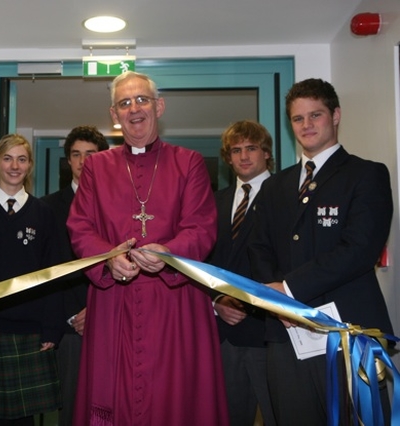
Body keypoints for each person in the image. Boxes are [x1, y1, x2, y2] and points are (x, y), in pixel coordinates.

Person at [67, 71, 228, 425]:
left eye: (142, 100)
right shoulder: (96, 166)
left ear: (159, 106)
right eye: (124, 103)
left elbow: (201, 226)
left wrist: (165, 255)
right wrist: (109, 260)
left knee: (176, 398)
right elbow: (80, 226)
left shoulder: (189, 162)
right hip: (114, 302)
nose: (134, 109)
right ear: (114, 114)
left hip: (176, 302)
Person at [250, 78, 394, 425]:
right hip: (286, 336)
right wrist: (276, 301)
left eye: (316, 115)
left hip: (347, 332)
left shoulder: (366, 175)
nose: (307, 125)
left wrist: (287, 291)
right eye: (298, 119)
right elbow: (259, 248)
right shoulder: (274, 186)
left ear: (336, 115)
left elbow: (359, 250)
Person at [0, 134, 65, 426]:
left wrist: (52, 329)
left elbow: (53, 272)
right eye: (7, 158)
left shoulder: (43, 213)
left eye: (21, 159)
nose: (14, 166)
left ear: (30, 165)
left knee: (23, 421)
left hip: (30, 333)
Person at [207, 120, 276, 426]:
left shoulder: (285, 193)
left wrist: (246, 303)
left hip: (270, 332)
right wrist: (216, 302)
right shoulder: (212, 202)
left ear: (266, 153)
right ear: (228, 157)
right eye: (236, 150)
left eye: (251, 148)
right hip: (224, 336)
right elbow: (203, 262)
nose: (244, 156)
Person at [41, 125, 109, 426]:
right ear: (68, 161)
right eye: (76, 155)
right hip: (69, 326)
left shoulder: (116, 206)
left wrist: (97, 310)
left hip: (108, 319)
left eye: (90, 155)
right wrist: (72, 314)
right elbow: (47, 269)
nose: (83, 162)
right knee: (71, 410)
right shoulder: (47, 208)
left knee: (110, 406)